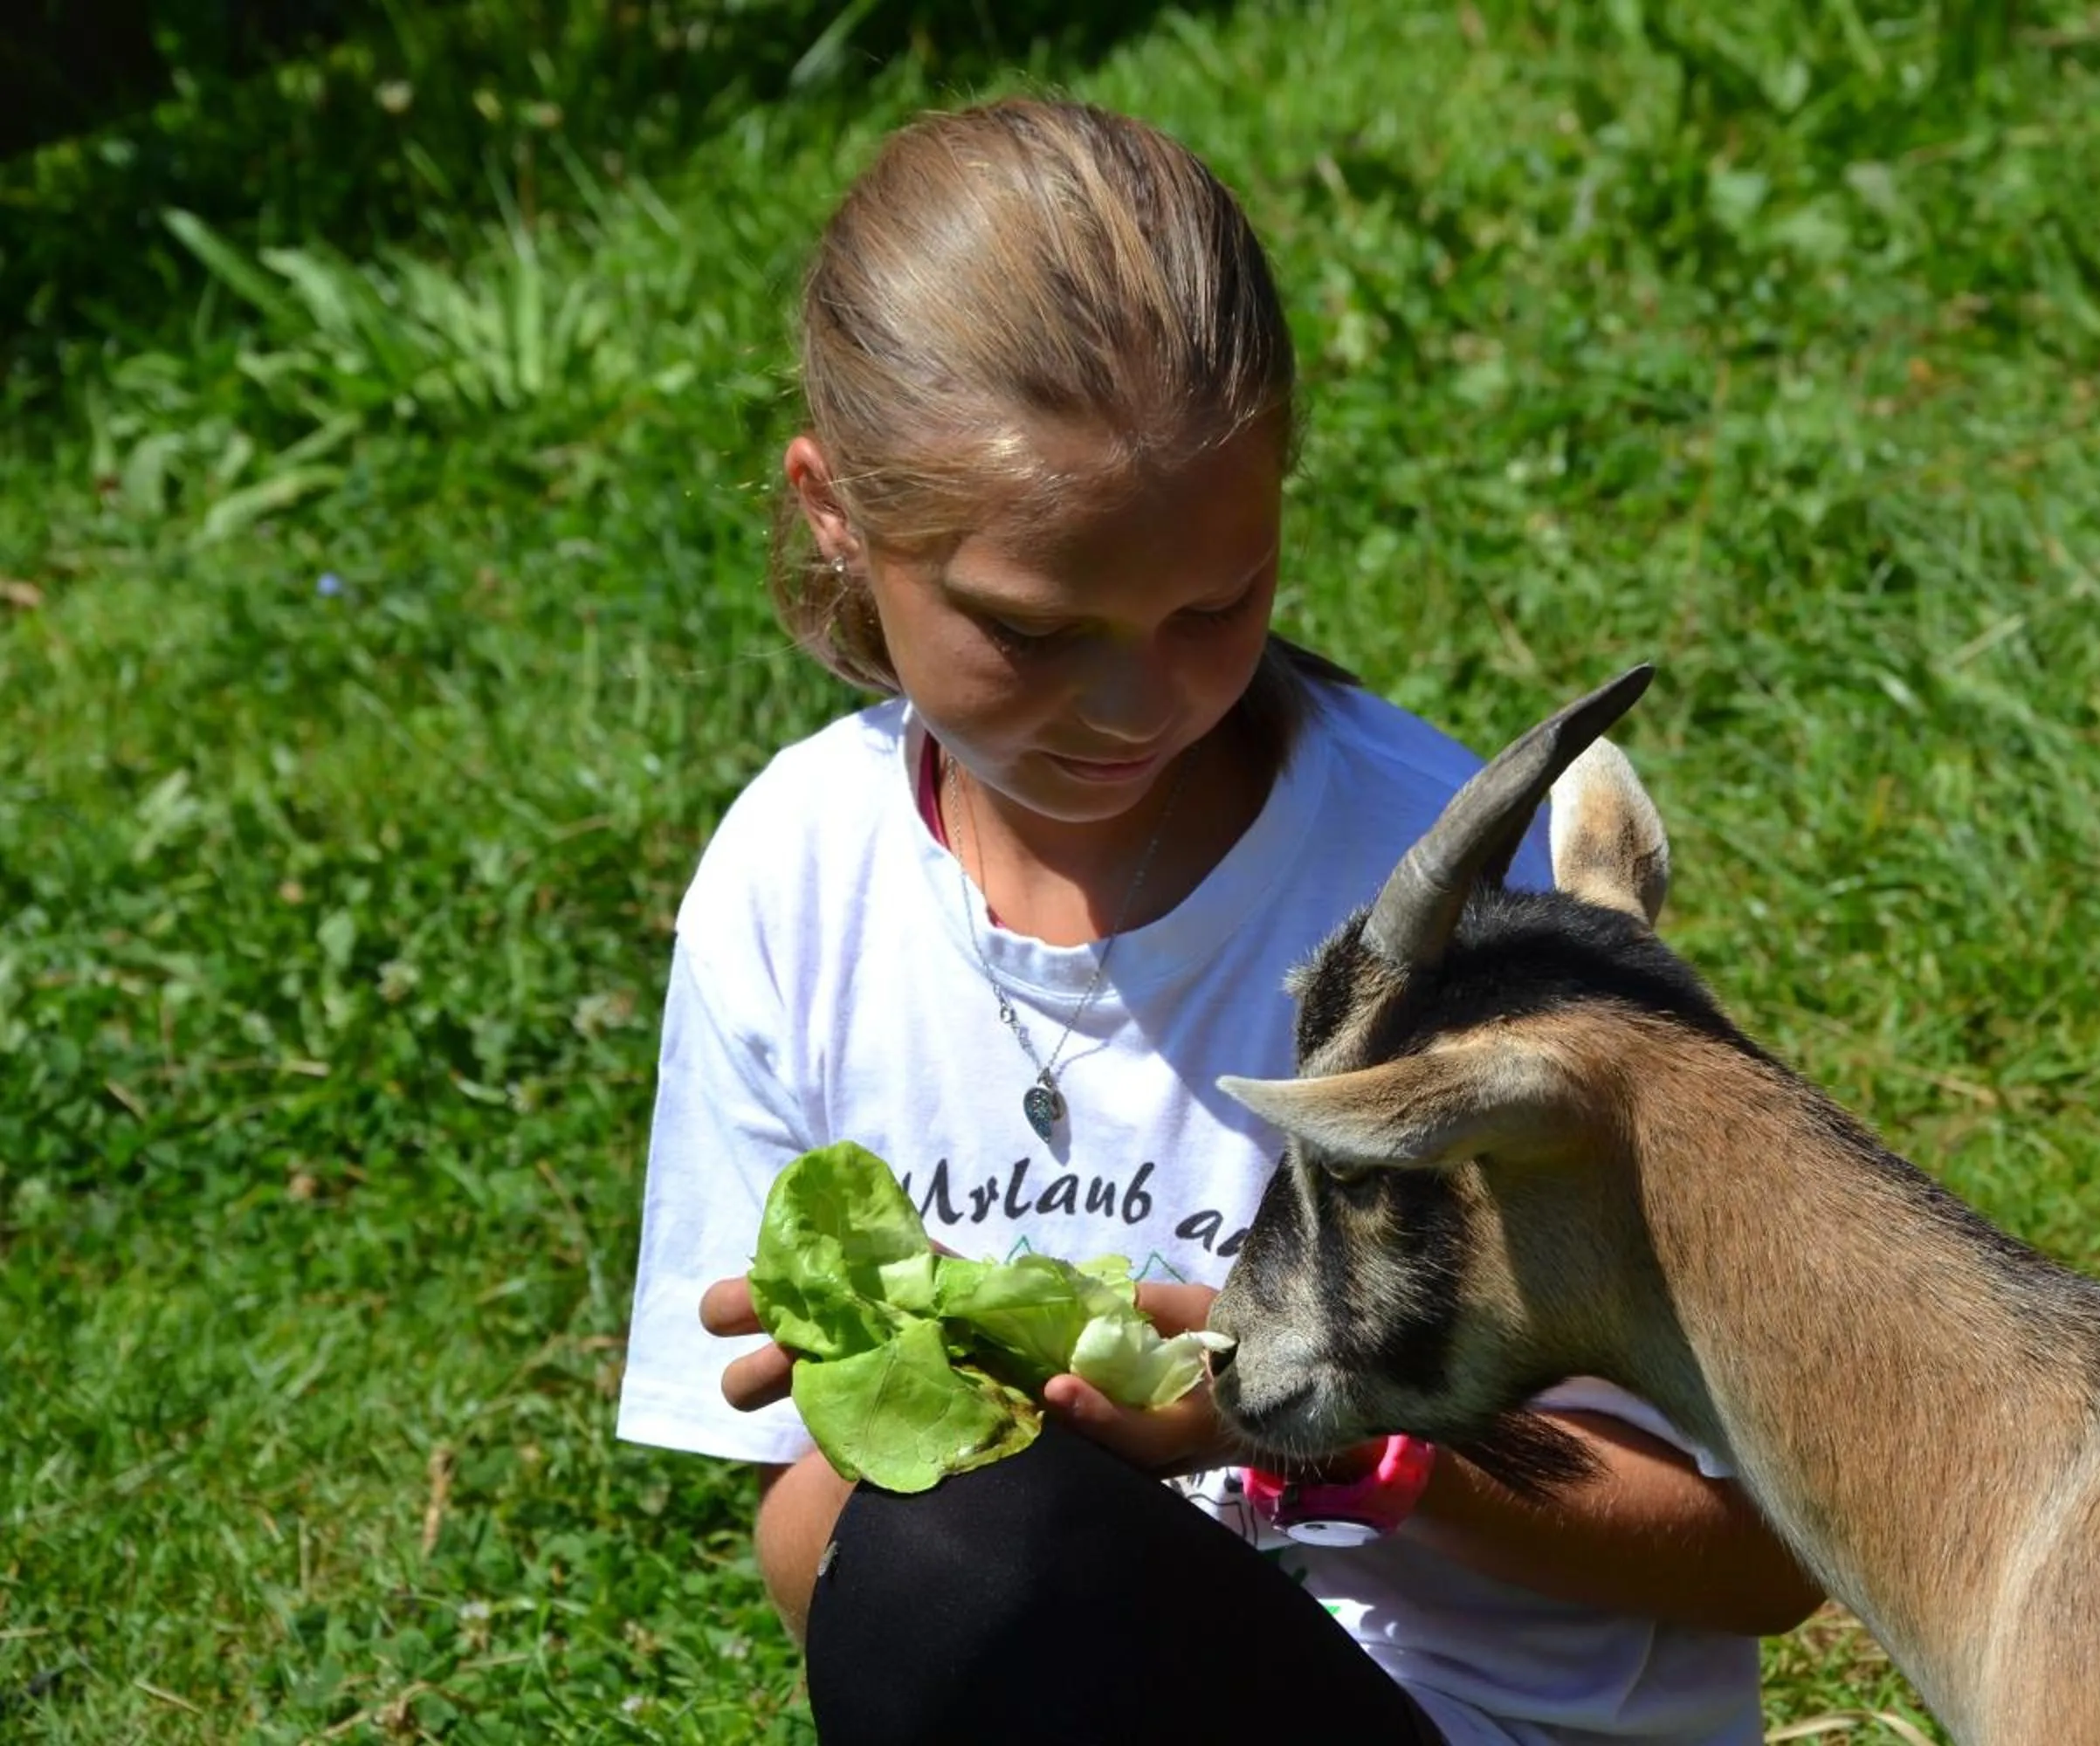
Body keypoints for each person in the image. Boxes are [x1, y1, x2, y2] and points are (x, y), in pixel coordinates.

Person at [615, 96, 1823, 1745]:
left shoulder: (1445, 891)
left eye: (1217, 605)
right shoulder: (796, 882)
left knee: (970, 1554)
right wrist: (904, 1402)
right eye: (1036, 634)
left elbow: (1764, 1551)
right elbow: (831, 1571)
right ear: (835, 514)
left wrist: (1324, 1428)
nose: (1142, 704)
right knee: (947, 1550)